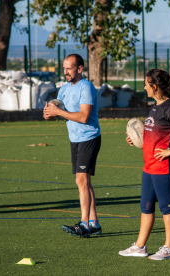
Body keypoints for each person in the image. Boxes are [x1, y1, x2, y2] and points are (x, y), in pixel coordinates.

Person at [119, 69, 170, 260]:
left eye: (146, 84)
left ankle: (169, 249)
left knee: (166, 207)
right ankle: (140, 246)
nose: (144, 87)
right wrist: (137, 141)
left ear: (154, 86)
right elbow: (154, 135)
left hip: (163, 167)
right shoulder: (155, 107)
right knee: (146, 206)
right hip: (149, 166)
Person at [43, 54, 102, 238]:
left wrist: (59, 111)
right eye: (64, 68)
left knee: (81, 181)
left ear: (80, 68)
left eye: (70, 68)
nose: (66, 72)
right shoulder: (64, 90)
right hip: (75, 139)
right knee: (85, 182)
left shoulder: (87, 87)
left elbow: (84, 116)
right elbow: (61, 114)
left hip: (89, 137)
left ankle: (84, 224)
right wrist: (49, 114)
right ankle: (94, 223)